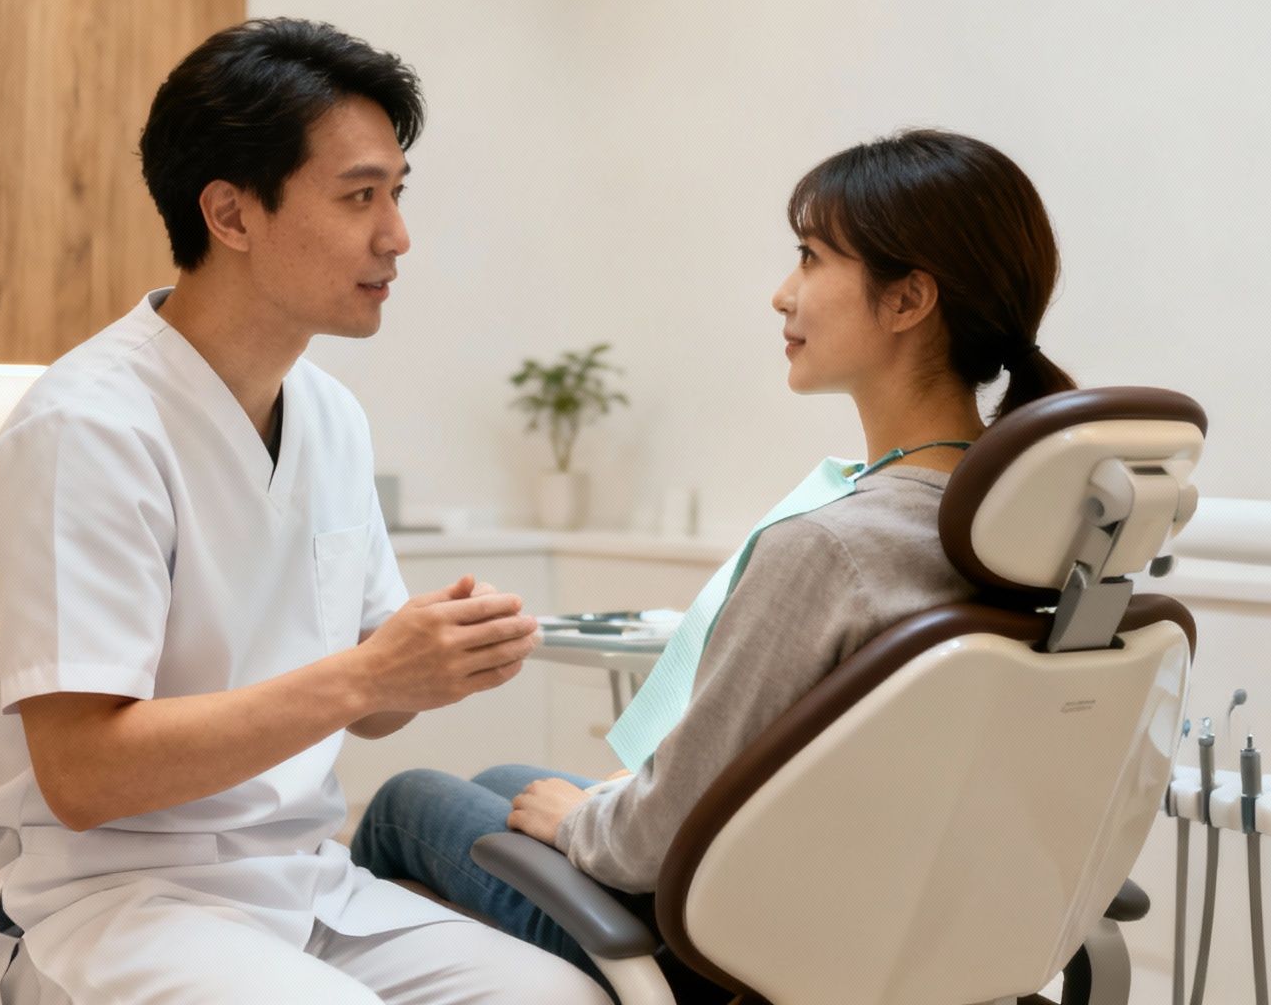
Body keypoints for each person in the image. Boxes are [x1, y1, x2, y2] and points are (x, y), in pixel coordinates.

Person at [0, 18, 612, 1005]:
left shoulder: (329, 415)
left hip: (301, 885)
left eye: (397, 193)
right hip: (102, 902)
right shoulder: (84, 430)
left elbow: (371, 708)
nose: (396, 235)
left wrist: (434, 661)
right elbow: (84, 777)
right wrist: (365, 675)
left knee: (567, 999)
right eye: (359, 196)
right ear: (230, 214)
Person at [351, 128, 1079, 990]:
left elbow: (647, 844)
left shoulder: (832, 548)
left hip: (723, 956)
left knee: (406, 803)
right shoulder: (1029, 538)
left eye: (810, 258)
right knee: (510, 783)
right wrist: (591, 811)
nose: (782, 294)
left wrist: (581, 824)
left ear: (907, 299)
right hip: (893, 924)